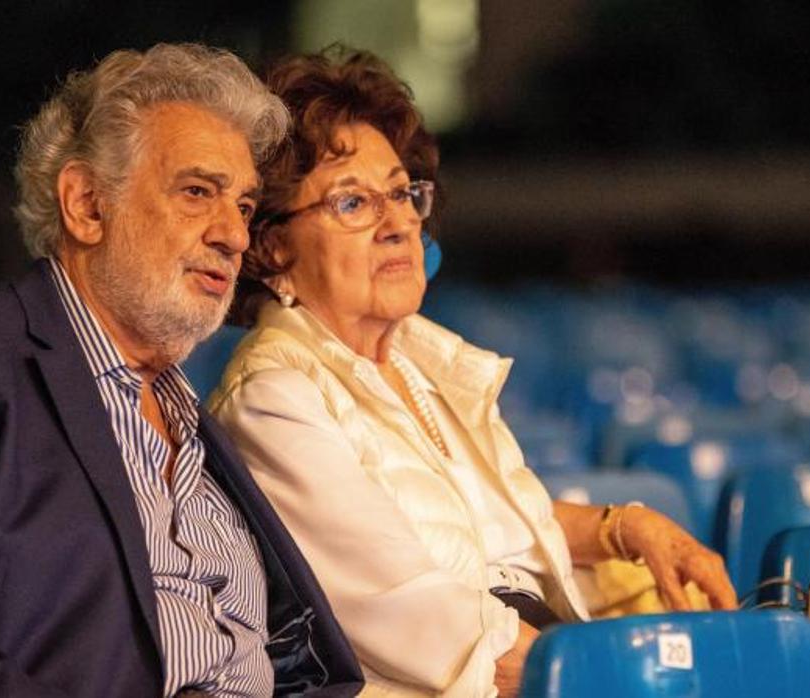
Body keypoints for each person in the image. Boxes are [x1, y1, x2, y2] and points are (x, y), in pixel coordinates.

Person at [0, 43, 362, 698]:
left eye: (244, 206)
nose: (234, 235)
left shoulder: (199, 424)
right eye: (197, 192)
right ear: (85, 204)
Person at [207, 48, 738, 697]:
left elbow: (487, 527)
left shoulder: (421, 364)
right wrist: (619, 676)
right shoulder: (273, 400)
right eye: (353, 203)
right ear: (272, 244)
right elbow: (432, 621)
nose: (399, 221)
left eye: (403, 193)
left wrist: (624, 527)